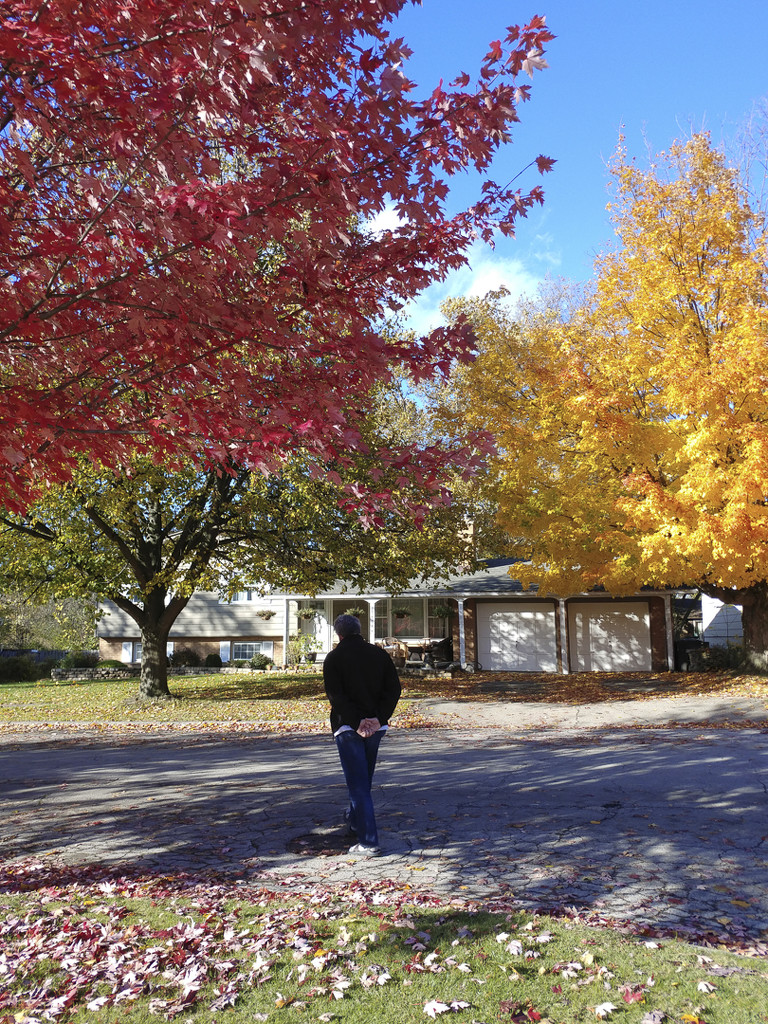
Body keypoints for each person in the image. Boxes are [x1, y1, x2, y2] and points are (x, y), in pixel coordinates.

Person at [323, 613, 401, 856]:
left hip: (348, 728)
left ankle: (368, 842)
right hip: (376, 727)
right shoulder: (379, 654)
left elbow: (336, 696)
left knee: (358, 784)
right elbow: (394, 689)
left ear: (339, 633)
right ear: (359, 630)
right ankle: (356, 822)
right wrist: (379, 718)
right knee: (363, 779)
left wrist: (357, 722)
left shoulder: (334, 658)